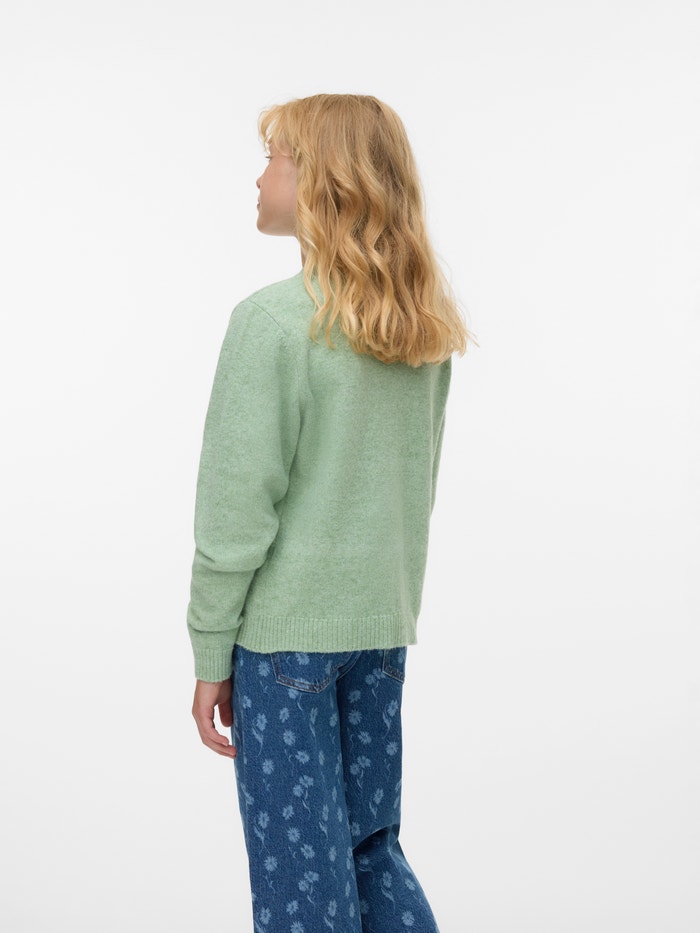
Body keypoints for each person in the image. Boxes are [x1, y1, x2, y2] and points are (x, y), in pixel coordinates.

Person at [187, 93, 474, 932]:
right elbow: (417, 485)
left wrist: (210, 649)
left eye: (272, 158)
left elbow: (234, 514)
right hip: (379, 632)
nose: (258, 177)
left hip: (284, 645)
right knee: (369, 850)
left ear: (321, 179)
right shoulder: (420, 328)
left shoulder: (273, 323)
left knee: (301, 881)